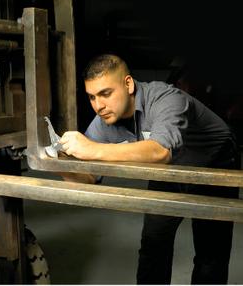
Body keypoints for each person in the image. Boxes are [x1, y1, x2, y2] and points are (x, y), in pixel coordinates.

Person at [59, 53, 240, 284]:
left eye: (105, 93)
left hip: (216, 162)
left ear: (128, 84)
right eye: (92, 97)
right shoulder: (105, 119)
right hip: (171, 170)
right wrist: (57, 161)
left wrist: (91, 149)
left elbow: (160, 152)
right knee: (154, 244)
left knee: (210, 255)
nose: (98, 105)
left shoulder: (167, 98)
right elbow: (86, 177)